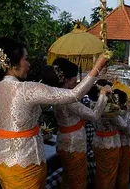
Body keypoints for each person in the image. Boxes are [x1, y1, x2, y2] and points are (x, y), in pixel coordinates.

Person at [0, 37, 109, 188]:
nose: (29, 64)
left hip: (0, 160)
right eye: (26, 59)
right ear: (12, 64)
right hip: (25, 162)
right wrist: (98, 67)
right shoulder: (26, 89)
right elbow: (74, 95)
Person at [40, 58, 111, 189]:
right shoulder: (69, 99)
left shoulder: (55, 93)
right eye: (74, 78)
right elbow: (94, 116)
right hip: (74, 145)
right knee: (77, 182)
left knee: (68, 178)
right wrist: (103, 94)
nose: (76, 81)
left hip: (63, 141)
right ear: (66, 80)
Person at [90, 80, 130, 189]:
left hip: (97, 140)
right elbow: (124, 126)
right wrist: (128, 112)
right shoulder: (109, 109)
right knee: (109, 175)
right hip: (110, 144)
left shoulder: (92, 105)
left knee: (100, 172)